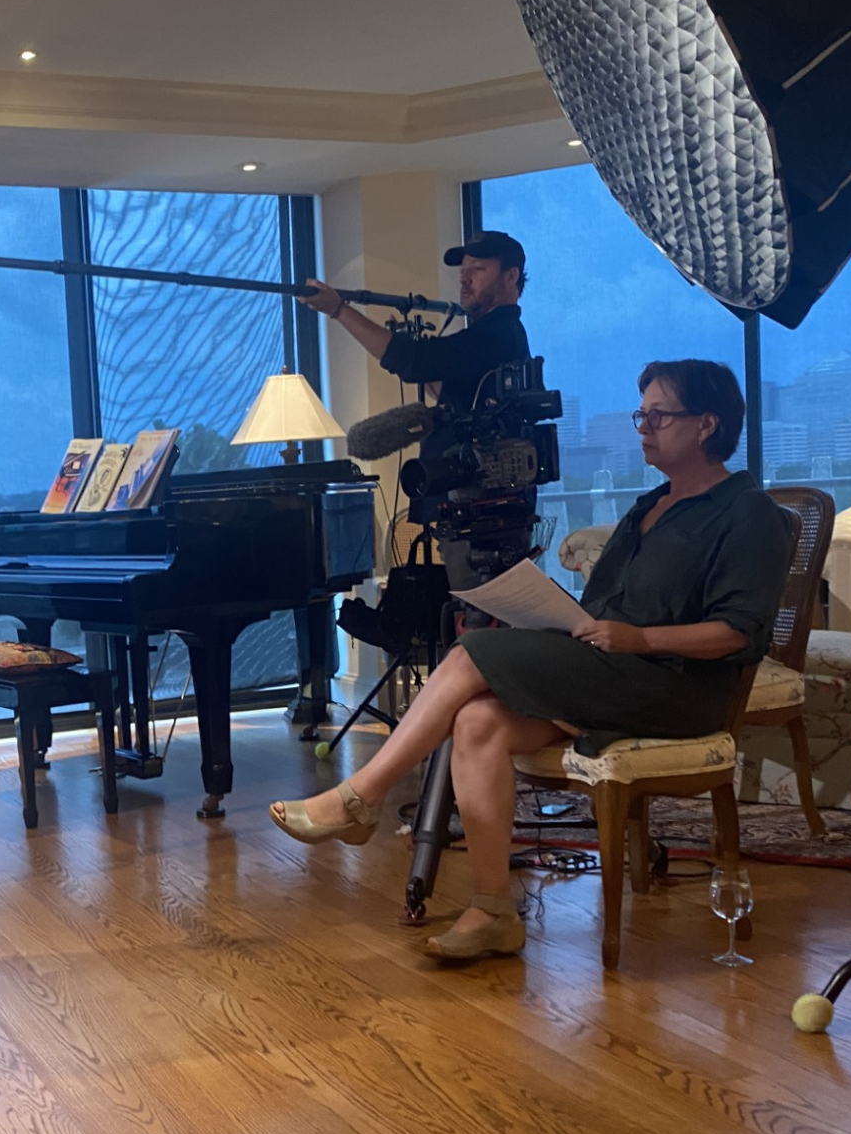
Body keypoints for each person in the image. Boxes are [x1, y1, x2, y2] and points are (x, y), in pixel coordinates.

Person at [269, 360, 792, 960]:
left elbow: (737, 633)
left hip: (675, 688)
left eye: (658, 415)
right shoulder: (651, 503)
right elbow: (605, 608)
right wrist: (555, 616)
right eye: (639, 414)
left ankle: (361, 797)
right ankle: (493, 910)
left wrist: (638, 640)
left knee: (472, 652)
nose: (643, 427)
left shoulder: (747, 512)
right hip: (612, 673)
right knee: (476, 722)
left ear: (707, 425)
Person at [298, 229, 534, 585]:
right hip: (466, 509)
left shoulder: (497, 334)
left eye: (478, 269)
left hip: (484, 515)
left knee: (476, 616)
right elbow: (449, 395)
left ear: (511, 276)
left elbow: (413, 362)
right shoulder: (493, 337)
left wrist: (340, 311)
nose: (465, 279)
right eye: (462, 271)